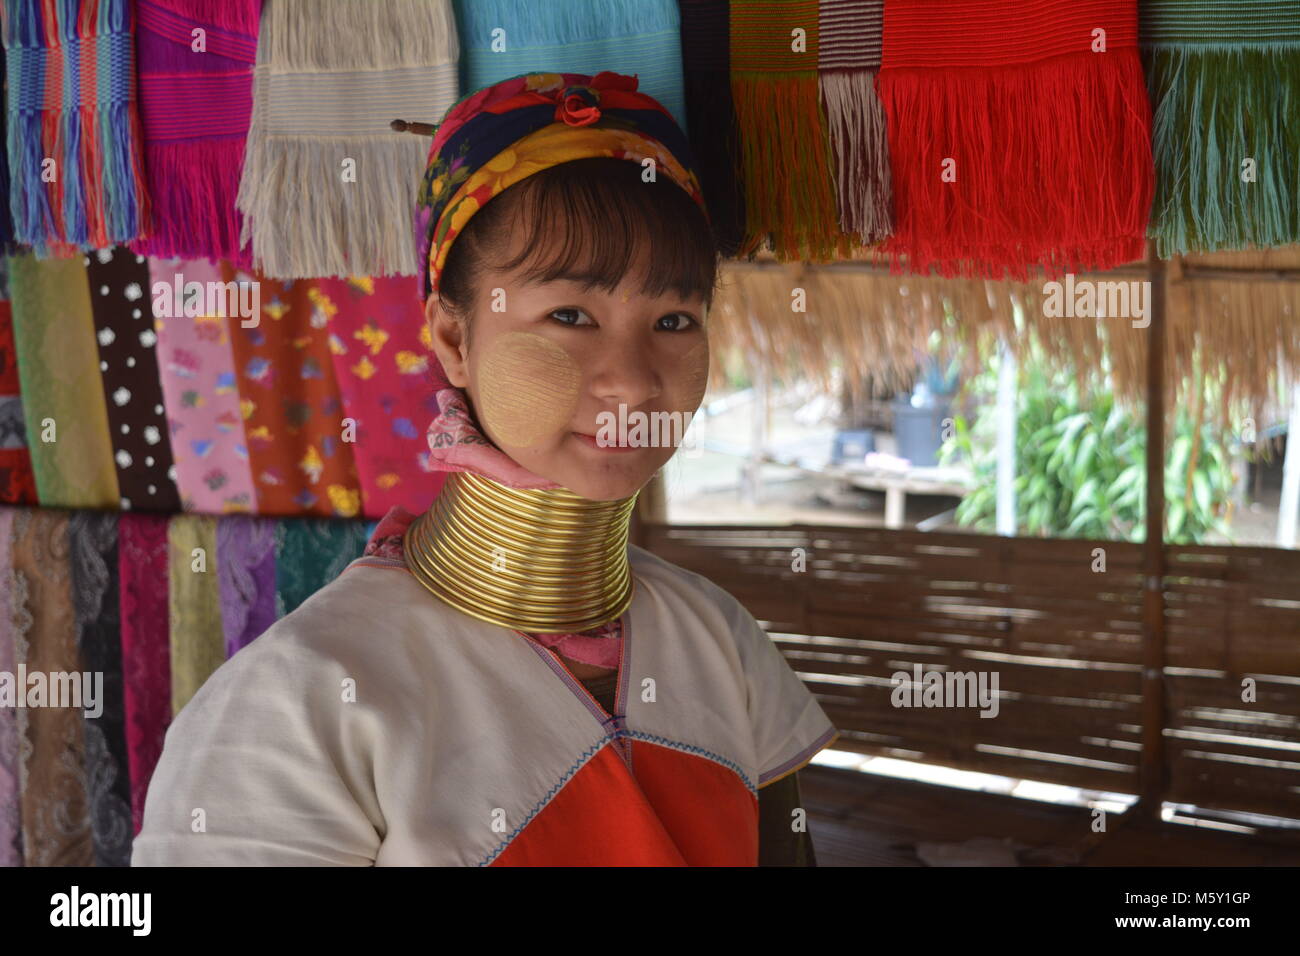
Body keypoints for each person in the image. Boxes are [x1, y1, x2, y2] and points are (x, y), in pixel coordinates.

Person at [132, 70, 838, 867]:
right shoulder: (295, 706)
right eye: (570, 315)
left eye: (674, 320)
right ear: (454, 340)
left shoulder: (718, 637)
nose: (635, 381)